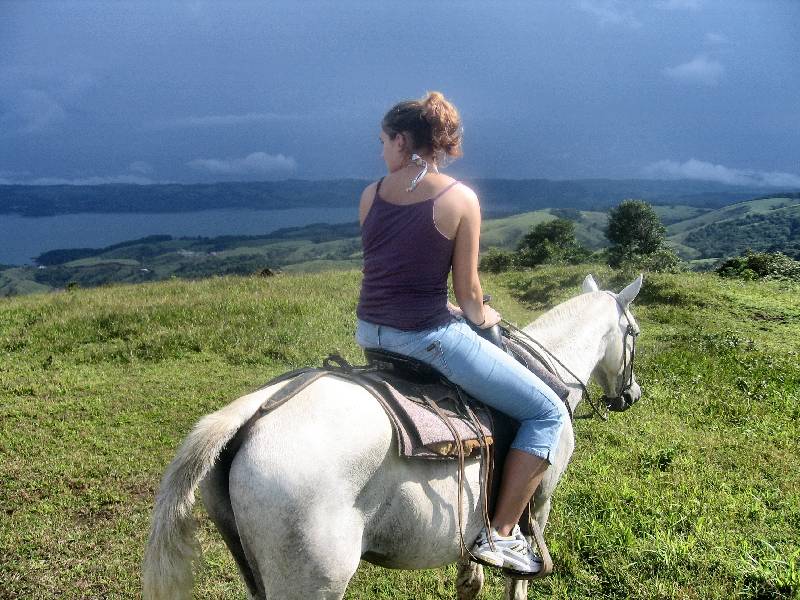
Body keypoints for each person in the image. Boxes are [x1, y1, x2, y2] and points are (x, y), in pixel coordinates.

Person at [354, 91, 568, 577]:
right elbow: (470, 297)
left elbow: (394, 273)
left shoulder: (371, 194)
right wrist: (485, 317)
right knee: (547, 411)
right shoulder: (459, 198)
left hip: (370, 331)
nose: (382, 150)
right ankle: (501, 535)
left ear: (404, 140)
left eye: (384, 140)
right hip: (424, 336)